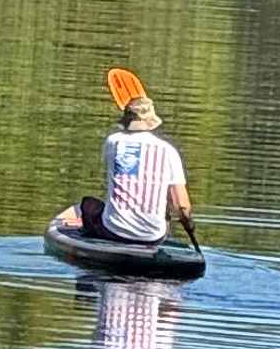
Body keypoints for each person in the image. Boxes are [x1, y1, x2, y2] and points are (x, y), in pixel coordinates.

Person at [75, 96, 196, 247]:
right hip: (154, 236)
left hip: (113, 231)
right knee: (165, 213)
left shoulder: (112, 142)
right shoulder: (169, 151)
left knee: (88, 205)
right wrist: (189, 225)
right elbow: (182, 206)